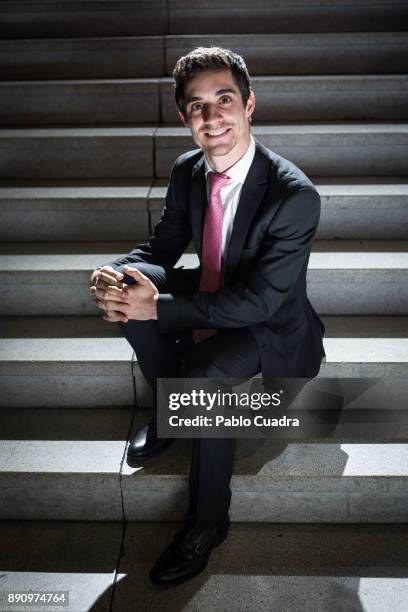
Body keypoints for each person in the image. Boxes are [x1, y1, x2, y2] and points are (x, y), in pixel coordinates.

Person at [89, 46, 326, 585]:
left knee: (205, 375)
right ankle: (174, 414)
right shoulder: (188, 170)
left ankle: (208, 522)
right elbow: (163, 244)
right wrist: (115, 270)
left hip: (271, 327)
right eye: (197, 106)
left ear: (248, 106)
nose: (212, 116)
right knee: (131, 291)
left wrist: (163, 306)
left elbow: (262, 301)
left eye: (224, 100)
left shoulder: (294, 195)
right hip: (215, 289)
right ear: (183, 117)